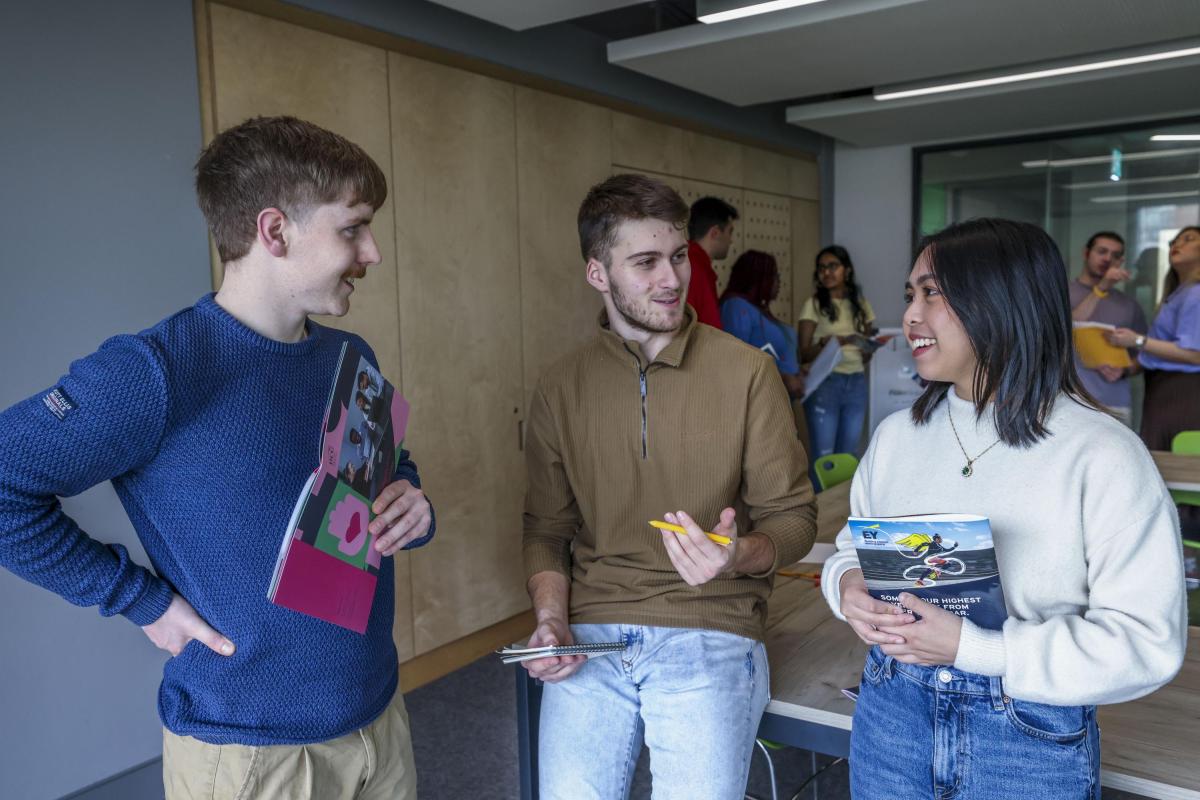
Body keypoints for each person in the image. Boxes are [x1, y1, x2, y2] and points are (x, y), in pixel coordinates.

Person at [0, 116, 435, 799]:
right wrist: (139, 601)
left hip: (377, 717)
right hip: (248, 753)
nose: (373, 252)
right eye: (353, 228)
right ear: (274, 231)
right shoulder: (155, 373)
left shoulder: (353, 356)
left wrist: (412, 500)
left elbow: (388, 474)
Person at [820, 218, 1186, 799]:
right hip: (890, 715)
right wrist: (846, 586)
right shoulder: (896, 438)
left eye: (932, 293)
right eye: (910, 295)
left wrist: (975, 648)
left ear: (1001, 300)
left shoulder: (1102, 454)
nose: (912, 315)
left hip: (1025, 734)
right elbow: (850, 549)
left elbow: (1145, 642)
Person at [522, 174, 817, 800]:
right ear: (598, 274)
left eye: (680, 256)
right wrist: (551, 621)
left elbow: (794, 521)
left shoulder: (747, 372)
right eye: (646, 262)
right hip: (592, 632)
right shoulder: (559, 386)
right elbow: (547, 531)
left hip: (712, 626)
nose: (672, 279)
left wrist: (738, 555)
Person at [1107, 225, 1200, 451]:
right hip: (1162, 388)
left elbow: (1194, 355)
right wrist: (1128, 368)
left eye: (1188, 239)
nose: (1177, 245)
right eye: (1174, 241)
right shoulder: (1178, 293)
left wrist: (1137, 341)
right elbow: (1160, 352)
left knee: (1172, 465)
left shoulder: (1196, 292)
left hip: (1183, 392)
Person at [798, 245, 876, 460]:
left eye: (833, 266)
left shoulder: (861, 305)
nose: (827, 273)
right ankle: (821, 496)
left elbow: (867, 353)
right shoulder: (813, 305)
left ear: (847, 270)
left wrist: (868, 348)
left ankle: (842, 496)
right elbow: (803, 355)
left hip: (857, 382)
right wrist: (825, 342)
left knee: (848, 455)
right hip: (826, 382)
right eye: (822, 268)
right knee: (823, 457)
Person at [1067, 231, 1146, 425]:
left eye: (1115, 255)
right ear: (1086, 253)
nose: (1108, 258)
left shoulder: (1129, 305)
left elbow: (1144, 355)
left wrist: (1125, 370)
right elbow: (1068, 326)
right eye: (1102, 251)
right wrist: (1102, 287)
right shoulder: (1062, 291)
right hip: (1069, 399)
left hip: (1115, 401)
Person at [685, 195, 739, 329]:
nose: (731, 240)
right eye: (729, 232)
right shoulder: (693, 269)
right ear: (715, 233)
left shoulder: (693, 264)